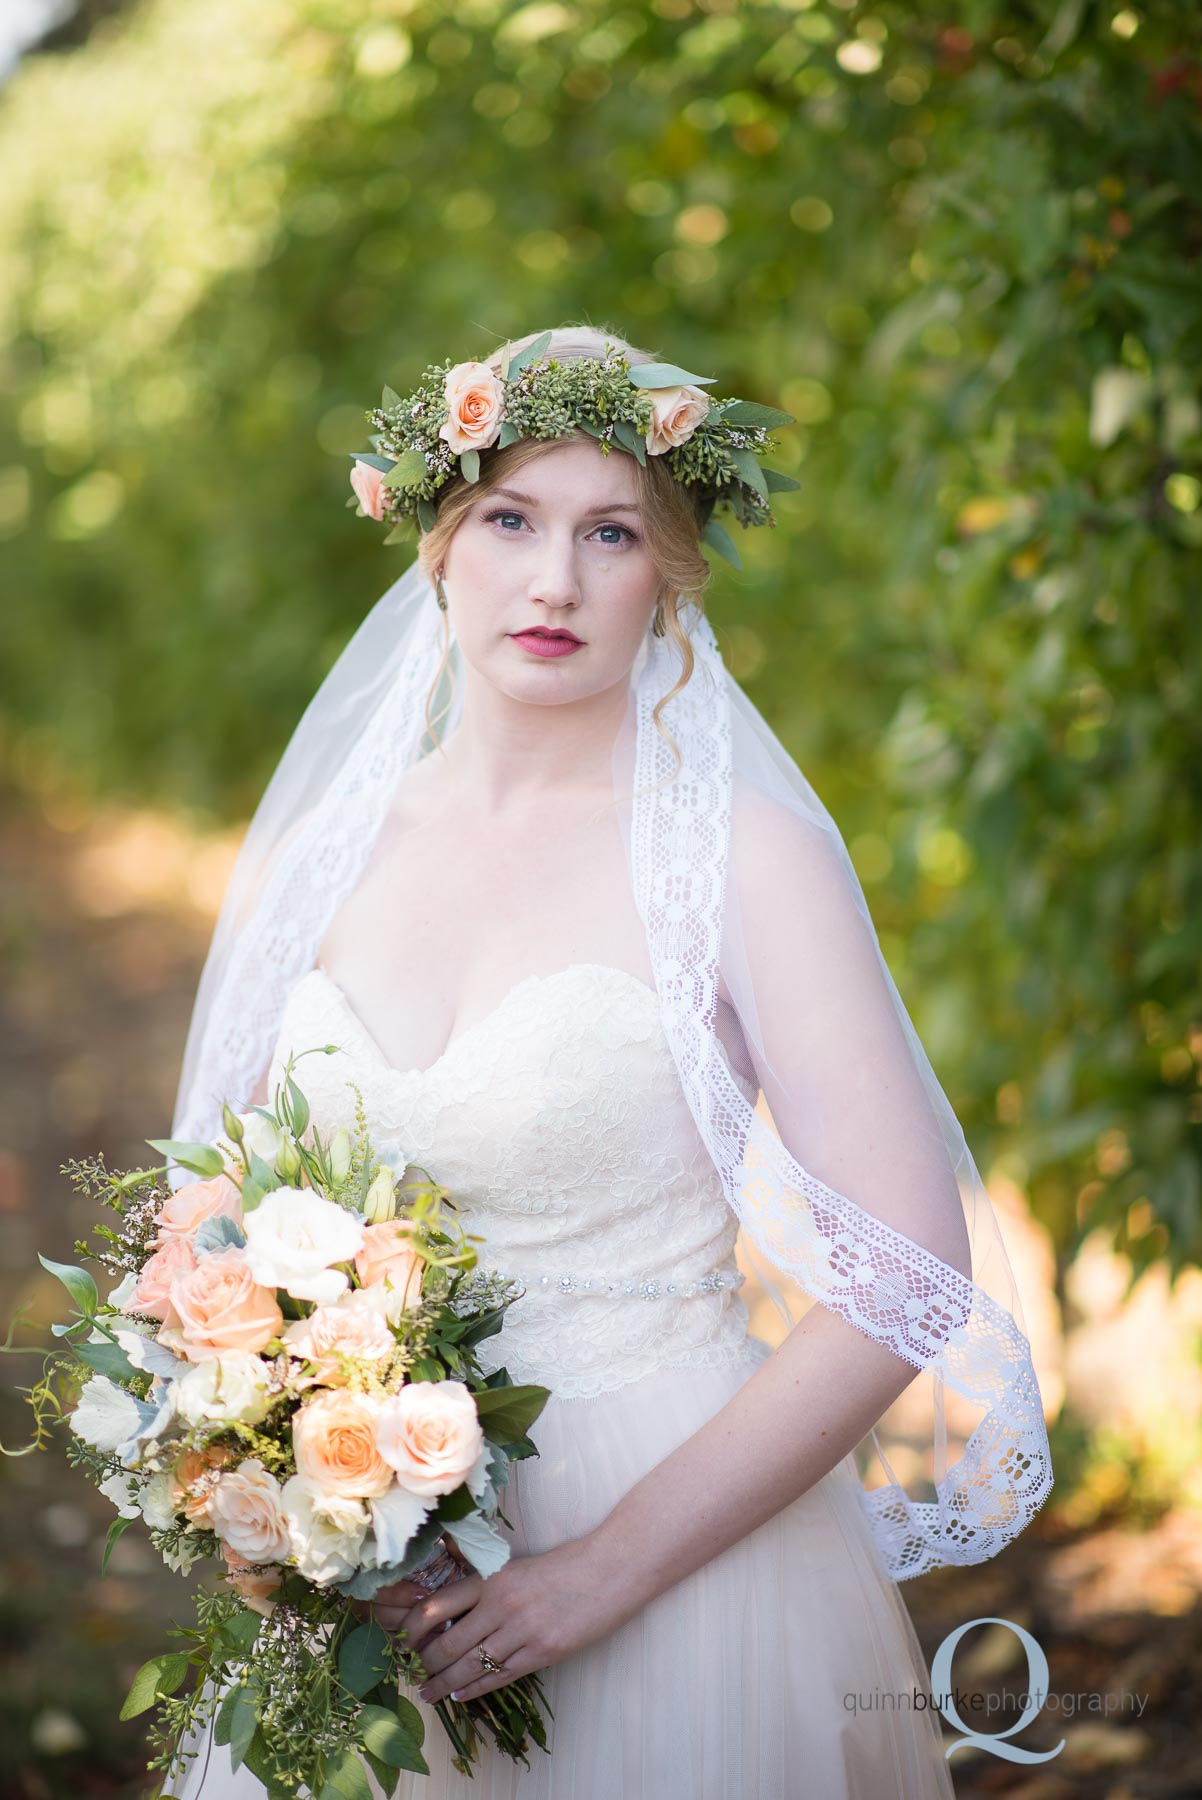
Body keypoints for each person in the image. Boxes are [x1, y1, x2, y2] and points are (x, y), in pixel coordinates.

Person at [169, 324, 1052, 1798]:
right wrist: (277, 1500)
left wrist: (595, 1574)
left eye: (611, 533)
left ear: (671, 576)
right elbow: (211, 1228)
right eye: (510, 519)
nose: (554, 580)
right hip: (378, 1577)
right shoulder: (319, 863)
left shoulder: (743, 862)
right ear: (438, 547)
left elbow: (903, 1272)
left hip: (679, 1562)